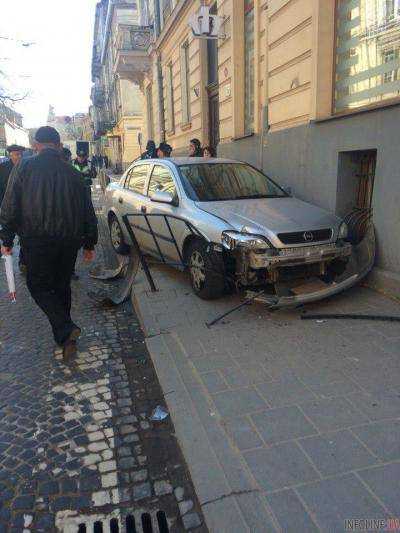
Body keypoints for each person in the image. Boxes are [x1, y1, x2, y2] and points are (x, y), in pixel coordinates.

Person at [0, 126, 98, 358]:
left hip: (37, 238)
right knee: (62, 285)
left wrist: (6, 238)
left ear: (36, 145)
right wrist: (90, 242)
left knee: (37, 284)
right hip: (68, 240)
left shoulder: (24, 167)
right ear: (58, 144)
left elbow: (10, 205)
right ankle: (65, 340)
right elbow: (88, 209)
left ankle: (66, 329)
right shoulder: (72, 172)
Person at [0, 145, 26, 272]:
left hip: (22, 209)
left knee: (23, 235)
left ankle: (23, 261)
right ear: (10, 155)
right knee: (5, 232)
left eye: (21, 154)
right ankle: (6, 248)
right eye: (16, 154)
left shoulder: (26, 167)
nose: (19, 157)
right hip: (6, 208)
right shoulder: (2, 168)